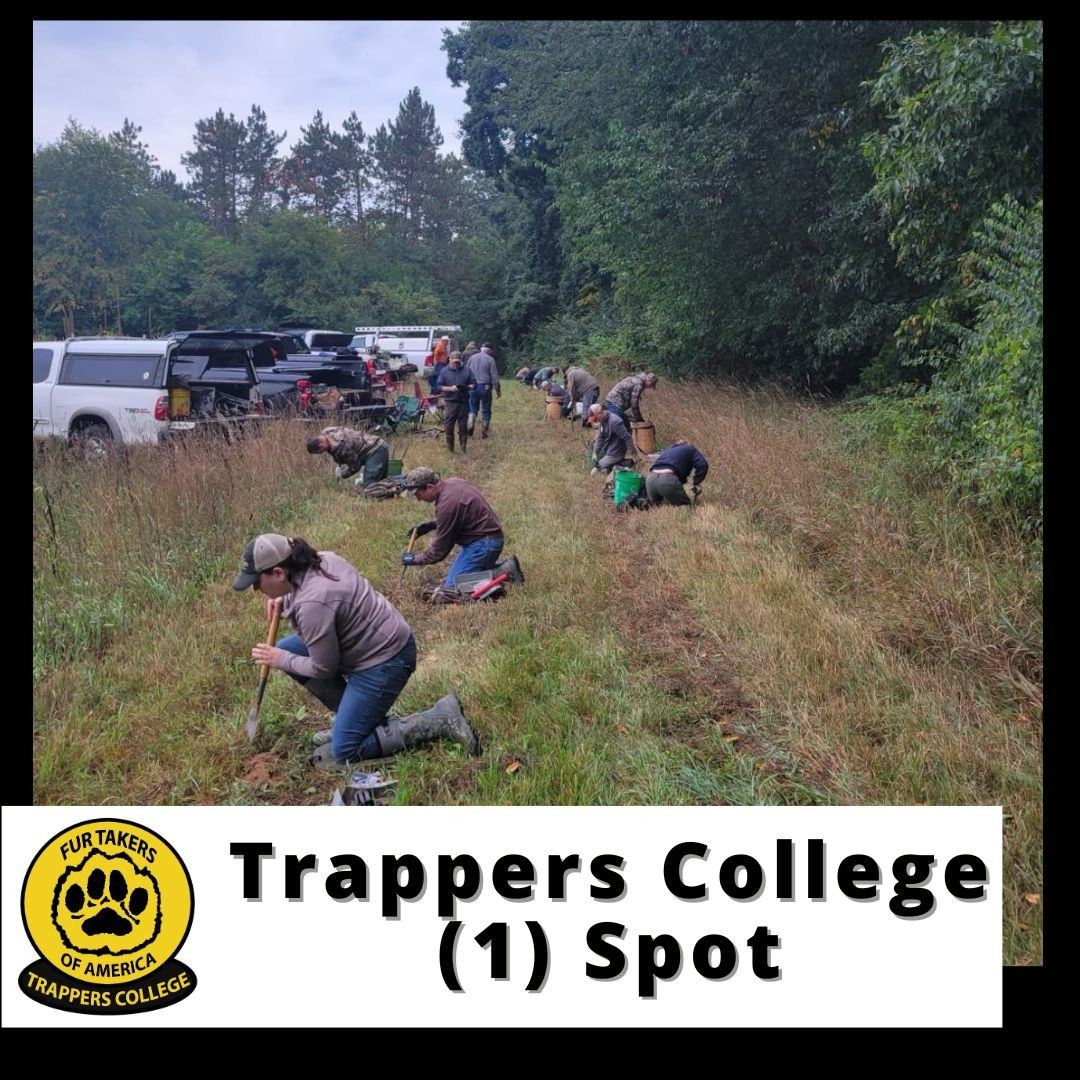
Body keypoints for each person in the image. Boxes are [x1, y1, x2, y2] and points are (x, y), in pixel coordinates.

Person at [232, 533, 480, 769]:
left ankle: (438, 719)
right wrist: (284, 598)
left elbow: (323, 668)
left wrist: (281, 660)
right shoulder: (322, 559)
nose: (256, 590)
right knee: (287, 648)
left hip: (387, 661)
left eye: (256, 583)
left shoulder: (312, 604)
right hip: (369, 643)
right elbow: (314, 598)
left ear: (278, 572)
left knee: (345, 750)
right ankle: (355, 719)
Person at [399, 467, 504, 589]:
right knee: (454, 580)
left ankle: (505, 573)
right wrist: (431, 525)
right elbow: (459, 517)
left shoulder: (447, 505)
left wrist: (414, 559)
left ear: (429, 487)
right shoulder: (453, 483)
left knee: (453, 589)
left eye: (418, 494)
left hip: (484, 544)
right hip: (485, 539)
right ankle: (501, 570)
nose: (418, 499)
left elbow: (438, 552)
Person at [306, 426, 389, 488]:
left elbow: (356, 466)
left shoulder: (341, 448)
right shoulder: (326, 431)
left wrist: (343, 474)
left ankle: (396, 486)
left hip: (375, 450)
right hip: (372, 446)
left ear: (321, 446)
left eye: (319, 452)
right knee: (379, 480)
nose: (321, 453)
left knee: (369, 487)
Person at [645, 438, 709, 506]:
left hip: (650, 479)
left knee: (656, 506)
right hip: (667, 479)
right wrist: (696, 482)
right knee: (685, 506)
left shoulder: (668, 450)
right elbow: (703, 465)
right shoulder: (690, 449)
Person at [435, 352, 477, 453]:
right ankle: (450, 449)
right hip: (450, 402)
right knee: (448, 426)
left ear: (460, 361)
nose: (456, 364)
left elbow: (474, 384)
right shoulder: (444, 371)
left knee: (463, 426)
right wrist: (451, 388)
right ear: (449, 360)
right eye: (454, 362)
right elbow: (439, 386)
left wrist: (466, 387)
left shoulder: (467, 370)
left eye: (458, 362)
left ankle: (463, 448)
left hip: (463, 402)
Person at [587, 403, 637, 474]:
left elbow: (626, 438)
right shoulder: (602, 421)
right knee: (602, 470)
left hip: (615, 453)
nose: (595, 421)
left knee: (594, 472)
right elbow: (600, 438)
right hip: (608, 450)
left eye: (595, 419)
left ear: (600, 413)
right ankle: (614, 466)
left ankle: (626, 464)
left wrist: (633, 453)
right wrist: (595, 452)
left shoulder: (615, 422)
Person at [466, 342, 501, 438]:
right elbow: (494, 376)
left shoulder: (472, 358)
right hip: (485, 387)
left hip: (473, 386)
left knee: (472, 407)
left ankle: (470, 425)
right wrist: (498, 390)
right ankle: (484, 431)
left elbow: (466, 371)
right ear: (489, 350)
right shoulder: (490, 359)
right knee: (486, 409)